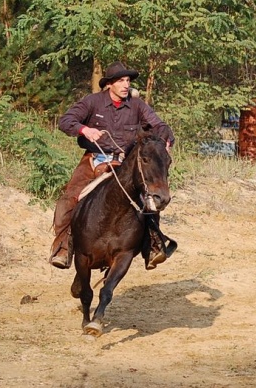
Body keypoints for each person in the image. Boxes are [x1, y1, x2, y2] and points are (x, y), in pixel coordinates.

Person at [49, 61, 175, 270]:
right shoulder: (92, 102)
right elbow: (66, 120)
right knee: (69, 199)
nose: (126, 85)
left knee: (150, 198)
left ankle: (152, 245)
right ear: (109, 84)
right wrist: (84, 130)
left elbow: (160, 126)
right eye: (120, 81)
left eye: (127, 81)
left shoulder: (137, 105)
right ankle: (63, 247)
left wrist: (164, 141)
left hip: (126, 161)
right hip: (94, 158)